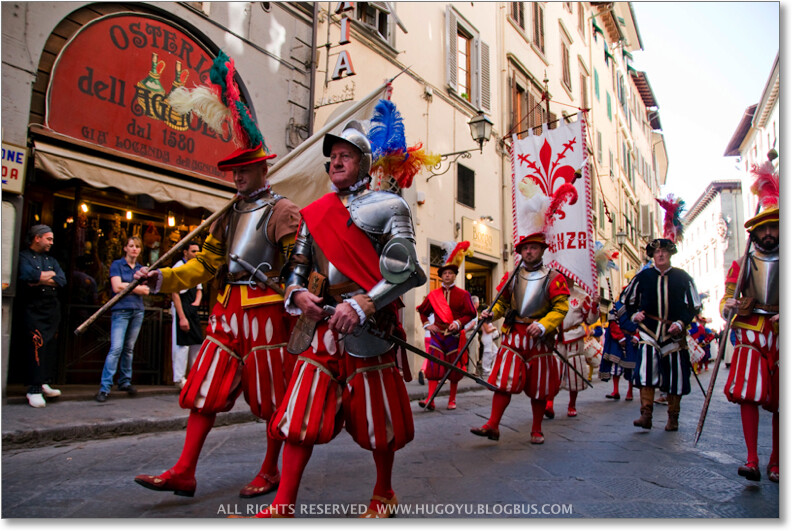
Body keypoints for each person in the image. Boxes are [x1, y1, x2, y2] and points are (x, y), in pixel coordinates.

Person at [259, 120, 426, 518]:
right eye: (332, 157)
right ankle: (283, 505)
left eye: (344, 156)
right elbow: (296, 267)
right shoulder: (315, 213)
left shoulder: (390, 205)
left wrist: (364, 304)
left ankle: (384, 492)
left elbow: (408, 271)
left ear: (364, 163)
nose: (335, 162)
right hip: (321, 327)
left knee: (379, 418)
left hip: (370, 325)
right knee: (299, 412)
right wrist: (298, 295)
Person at [133, 141, 300, 498]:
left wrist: (293, 292)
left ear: (263, 170)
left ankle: (270, 470)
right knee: (204, 389)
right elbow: (205, 265)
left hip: (267, 313)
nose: (237, 176)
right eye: (233, 171)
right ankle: (184, 471)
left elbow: (298, 268)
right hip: (227, 310)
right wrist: (161, 278)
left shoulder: (283, 210)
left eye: (244, 169)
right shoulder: (227, 213)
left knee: (272, 397)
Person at [470, 233, 569, 444]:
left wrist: (543, 325)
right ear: (521, 252)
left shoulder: (554, 277)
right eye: (525, 248)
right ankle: (493, 425)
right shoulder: (512, 276)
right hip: (513, 335)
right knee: (503, 382)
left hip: (540, 340)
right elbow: (502, 303)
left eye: (533, 248)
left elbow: (561, 308)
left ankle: (536, 429)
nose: (529, 252)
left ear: (542, 251)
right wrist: (491, 313)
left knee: (539, 387)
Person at [720, 205, 778, 483]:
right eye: (763, 228)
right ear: (754, 232)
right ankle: (752, 458)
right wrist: (727, 305)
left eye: (774, 227)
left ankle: (778, 461)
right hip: (751, 331)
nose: (768, 233)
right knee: (748, 392)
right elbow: (728, 295)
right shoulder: (741, 263)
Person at [620, 238, 701, 431]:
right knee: (646, 372)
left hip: (674, 334)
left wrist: (681, 323)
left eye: (664, 251)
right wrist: (634, 314)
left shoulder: (683, 277)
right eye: (657, 252)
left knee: (675, 375)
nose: (661, 255)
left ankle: (673, 417)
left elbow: (694, 305)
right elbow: (627, 300)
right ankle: (645, 414)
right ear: (653, 256)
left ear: (670, 254)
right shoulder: (643, 277)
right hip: (648, 331)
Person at [416, 247, 477, 410]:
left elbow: (471, 313)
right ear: (441, 276)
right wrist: (428, 325)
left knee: (454, 370)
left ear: (455, 275)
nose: (447, 275)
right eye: (445, 273)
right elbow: (422, 311)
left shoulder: (463, 295)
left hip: (454, 336)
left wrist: (458, 323)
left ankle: (452, 399)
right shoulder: (433, 295)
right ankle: (430, 399)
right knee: (433, 367)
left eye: (450, 273)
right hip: (437, 336)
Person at [17, 225, 66, 408]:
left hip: (51, 308)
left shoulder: (51, 259)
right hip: (33, 307)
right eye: (49, 239)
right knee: (36, 344)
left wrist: (40, 279)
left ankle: (44, 381)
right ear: (37, 238)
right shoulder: (24, 256)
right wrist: (43, 277)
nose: (51, 242)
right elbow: (27, 275)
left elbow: (61, 279)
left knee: (49, 345)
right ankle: (34, 388)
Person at [95, 236, 149, 402]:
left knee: (129, 348)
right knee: (116, 348)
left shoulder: (142, 268)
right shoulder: (117, 265)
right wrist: (136, 287)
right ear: (125, 248)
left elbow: (146, 290)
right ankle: (105, 387)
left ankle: (125, 381)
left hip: (137, 310)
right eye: (131, 246)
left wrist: (129, 286)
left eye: (137, 246)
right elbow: (116, 287)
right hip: (121, 310)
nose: (134, 249)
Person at [547, 277, 600, 418]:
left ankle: (572, 404)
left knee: (574, 372)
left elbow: (590, 320)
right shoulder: (551, 294)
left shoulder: (582, 297)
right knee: (554, 371)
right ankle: (549, 404)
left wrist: (594, 305)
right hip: (556, 339)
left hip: (574, 337)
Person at [170, 240, 203, 388]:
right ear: (185, 252)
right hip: (181, 306)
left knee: (196, 342)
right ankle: (179, 378)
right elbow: (175, 293)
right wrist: (182, 316)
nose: (196, 254)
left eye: (198, 251)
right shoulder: (178, 267)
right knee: (182, 344)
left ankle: (195, 377)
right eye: (193, 251)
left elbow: (199, 289)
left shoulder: (196, 267)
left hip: (192, 305)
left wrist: (197, 302)